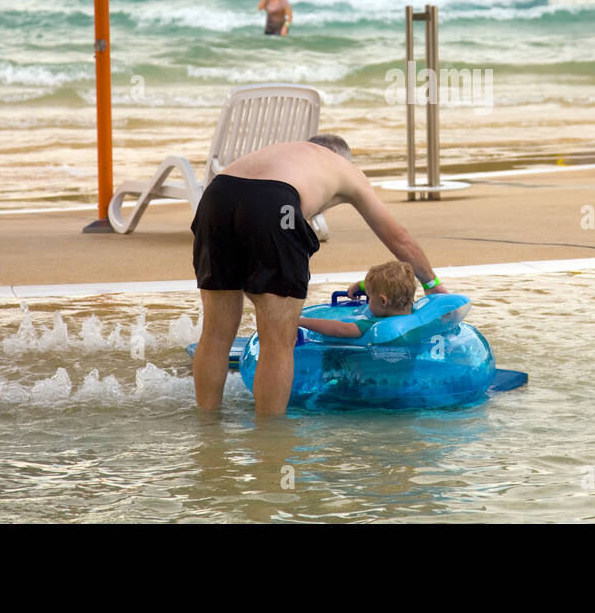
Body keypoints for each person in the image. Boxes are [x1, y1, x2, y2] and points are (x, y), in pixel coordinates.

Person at [190, 135, 448, 416]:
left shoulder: (286, 153)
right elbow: (398, 238)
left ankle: (207, 427)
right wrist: (431, 284)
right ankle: (269, 441)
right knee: (278, 339)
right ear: (343, 157)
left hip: (217, 196)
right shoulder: (345, 169)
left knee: (215, 332)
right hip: (275, 202)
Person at [297, 261, 416, 339]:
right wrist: (361, 285)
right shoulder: (415, 314)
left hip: (370, 377)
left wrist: (300, 321)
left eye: (370, 297)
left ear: (383, 301)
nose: (369, 301)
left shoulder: (372, 325)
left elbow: (340, 330)